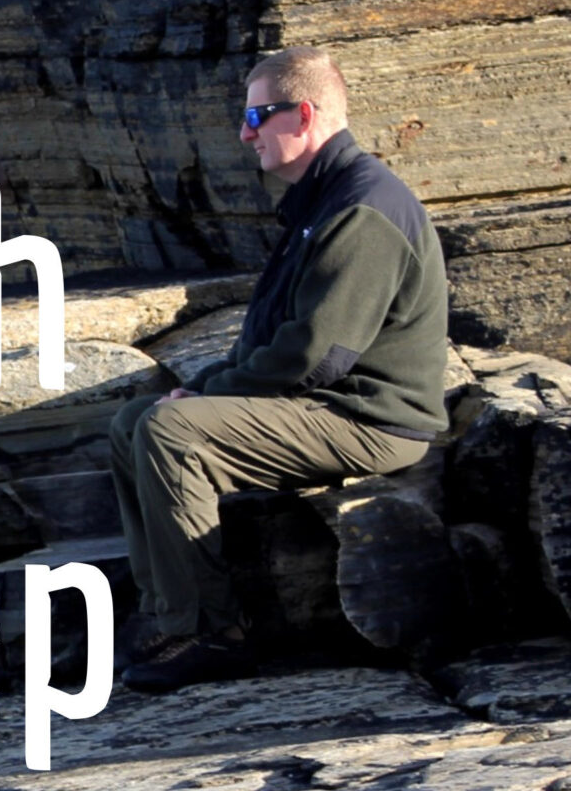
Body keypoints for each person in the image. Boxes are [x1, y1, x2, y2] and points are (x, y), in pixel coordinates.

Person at [108, 47, 449, 693]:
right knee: (132, 422)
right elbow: (272, 337)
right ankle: (164, 614)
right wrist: (203, 386)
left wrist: (199, 403)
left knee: (172, 433)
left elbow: (317, 356)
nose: (245, 134)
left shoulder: (361, 209)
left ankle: (211, 631)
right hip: (324, 405)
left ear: (305, 114)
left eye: (258, 116)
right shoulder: (317, 203)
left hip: (371, 420)